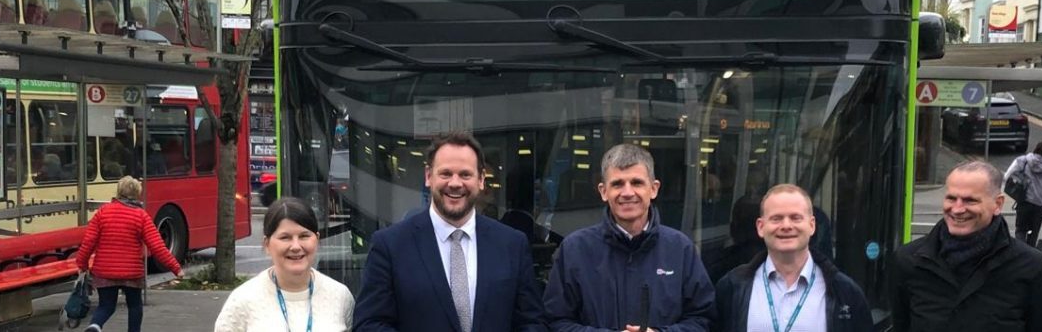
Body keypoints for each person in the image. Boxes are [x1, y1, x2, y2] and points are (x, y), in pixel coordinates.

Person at [353, 132, 544, 332]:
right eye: (445, 173)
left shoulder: (511, 244)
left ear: (481, 180)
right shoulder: (390, 245)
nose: (455, 183)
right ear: (428, 176)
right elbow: (369, 324)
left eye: (465, 174)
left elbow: (532, 323)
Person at [543, 143, 716, 332]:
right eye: (617, 184)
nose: (627, 193)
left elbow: (703, 319)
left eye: (636, 182)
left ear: (654, 188)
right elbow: (555, 322)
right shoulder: (575, 250)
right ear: (603, 191)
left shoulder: (680, 249)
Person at [890, 161, 1042, 331]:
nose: (957, 209)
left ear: (997, 204)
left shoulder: (1034, 267)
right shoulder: (908, 261)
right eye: (951, 198)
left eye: (970, 200)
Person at [714, 184, 873, 332]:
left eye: (796, 217)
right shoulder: (731, 288)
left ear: (812, 225)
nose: (786, 226)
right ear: (761, 227)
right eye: (776, 218)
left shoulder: (846, 293)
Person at [215, 197, 354, 331]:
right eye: (285, 237)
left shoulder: (340, 296)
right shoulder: (242, 300)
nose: (295, 246)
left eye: (304, 236)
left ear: (316, 240)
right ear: (267, 244)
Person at [74, 176, 184, 332]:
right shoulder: (141, 216)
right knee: (135, 305)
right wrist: (176, 268)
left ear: (119, 191)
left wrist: (82, 265)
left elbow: (88, 242)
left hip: (105, 271)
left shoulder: (102, 213)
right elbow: (157, 246)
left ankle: (95, 326)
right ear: (137, 193)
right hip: (131, 272)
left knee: (106, 305)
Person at [1004, 142, 1042, 246]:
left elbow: (1007, 176)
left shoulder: (1023, 161)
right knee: (1033, 234)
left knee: (1020, 230)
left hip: (1024, 201)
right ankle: (1030, 255)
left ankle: (1020, 253)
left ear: (1035, 150)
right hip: (1040, 205)